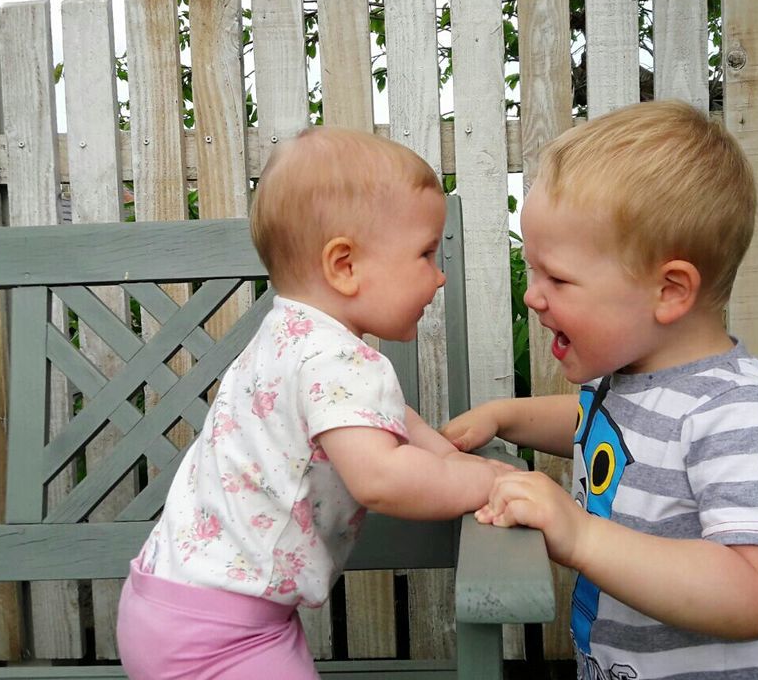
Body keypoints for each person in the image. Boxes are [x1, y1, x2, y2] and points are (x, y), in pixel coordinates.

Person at [443, 100, 758, 680]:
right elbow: (597, 426)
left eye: (557, 277)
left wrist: (580, 535)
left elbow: (754, 593)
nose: (534, 295)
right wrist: (504, 416)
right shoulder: (633, 385)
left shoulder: (746, 417)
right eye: (534, 272)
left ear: (670, 291)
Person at [117, 126, 514, 680]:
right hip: (225, 636)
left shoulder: (287, 334)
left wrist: (451, 459)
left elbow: (392, 421)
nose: (440, 275)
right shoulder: (341, 360)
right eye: (425, 253)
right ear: (344, 265)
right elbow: (381, 477)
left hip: (170, 603)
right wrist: (489, 483)